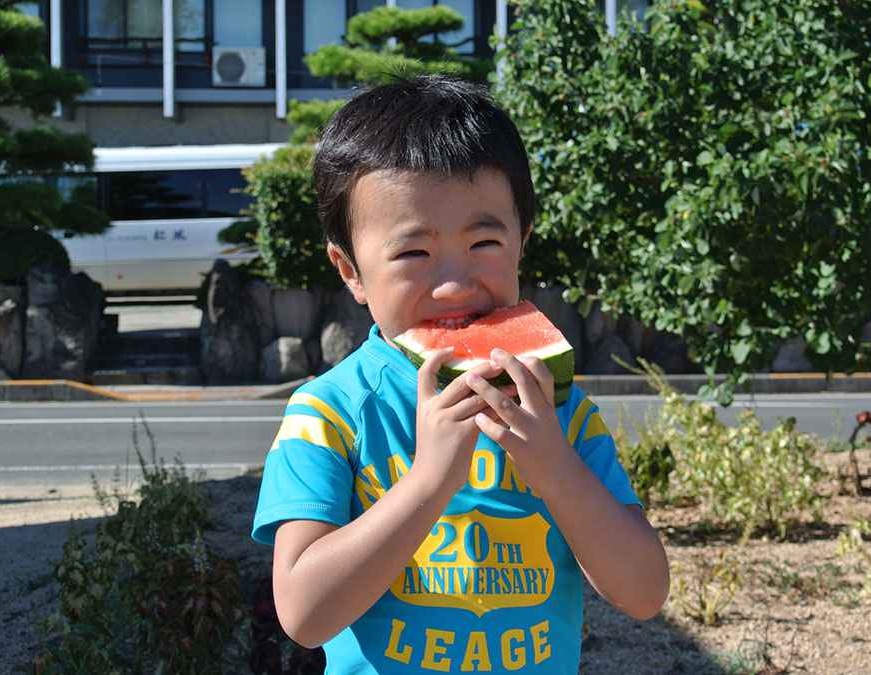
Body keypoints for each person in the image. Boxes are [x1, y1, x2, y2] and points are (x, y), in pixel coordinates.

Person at [251, 75, 670, 674]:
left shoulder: (562, 409)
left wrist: (553, 464)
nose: (454, 284)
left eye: (484, 242)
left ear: (522, 241)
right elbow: (304, 615)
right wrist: (428, 483)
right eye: (413, 254)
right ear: (350, 271)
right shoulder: (330, 413)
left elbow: (644, 592)